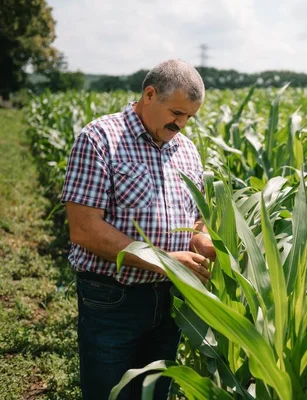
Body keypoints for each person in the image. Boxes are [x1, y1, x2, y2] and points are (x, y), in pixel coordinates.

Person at [61, 59, 216, 399]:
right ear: (149, 94)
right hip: (113, 300)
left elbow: (194, 218)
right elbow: (84, 230)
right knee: (110, 393)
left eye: (190, 117)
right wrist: (165, 261)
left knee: (154, 393)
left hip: (171, 300)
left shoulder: (186, 150)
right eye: (177, 113)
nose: (182, 124)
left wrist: (201, 241)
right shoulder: (100, 139)